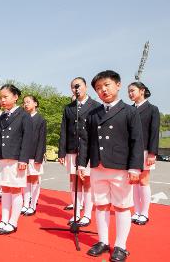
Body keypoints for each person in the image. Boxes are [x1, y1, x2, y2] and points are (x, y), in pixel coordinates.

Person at [78, 70, 144, 261]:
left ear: (118, 85)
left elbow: (136, 141)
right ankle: (103, 241)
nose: (103, 90)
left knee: (122, 207)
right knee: (101, 205)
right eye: (98, 88)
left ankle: (121, 246)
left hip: (120, 167)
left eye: (106, 85)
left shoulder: (130, 111)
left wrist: (134, 168)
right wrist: (82, 164)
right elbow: (85, 140)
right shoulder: (93, 113)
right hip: (98, 166)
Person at [0, 84, 33, 235]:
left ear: (15, 97)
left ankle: (13, 222)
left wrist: (23, 159)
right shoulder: (1, 116)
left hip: (16, 159)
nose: (2, 100)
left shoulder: (24, 115)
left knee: (15, 190)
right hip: (3, 157)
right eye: (0, 97)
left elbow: (27, 139)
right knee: (5, 189)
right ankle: (4, 219)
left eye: (5, 96)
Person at [58, 77, 100, 226]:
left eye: (79, 86)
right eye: (73, 87)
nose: (76, 89)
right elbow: (64, 130)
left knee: (86, 181)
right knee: (73, 181)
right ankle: (76, 213)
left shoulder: (96, 106)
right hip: (71, 149)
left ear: (86, 87)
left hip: (88, 150)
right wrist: (61, 152)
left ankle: (87, 214)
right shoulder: (69, 108)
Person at [128, 81, 160, 226]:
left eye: (132, 90)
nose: (130, 94)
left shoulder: (152, 109)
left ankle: (145, 213)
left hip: (146, 150)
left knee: (143, 181)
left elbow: (154, 133)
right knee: (133, 182)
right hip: (130, 150)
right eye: (128, 91)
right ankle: (136, 211)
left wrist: (152, 153)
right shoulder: (128, 109)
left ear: (142, 91)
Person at [21, 95, 47, 216]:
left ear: (35, 103)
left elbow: (42, 140)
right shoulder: (22, 118)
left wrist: (39, 157)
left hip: (35, 154)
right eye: (24, 102)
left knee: (34, 179)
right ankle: (25, 203)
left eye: (28, 102)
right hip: (23, 155)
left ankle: (33, 205)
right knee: (25, 180)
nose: (26, 104)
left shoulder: (40, 119)